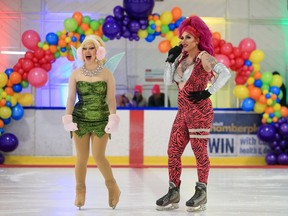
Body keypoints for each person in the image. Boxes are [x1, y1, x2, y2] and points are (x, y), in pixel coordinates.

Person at [156, 15, 231, 212]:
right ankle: (173, 190)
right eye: (182, 37)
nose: (183, 41)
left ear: (198, 39)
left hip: (200, 112)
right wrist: (169, 61)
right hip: (183, 112)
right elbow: (166, 82)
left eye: (188, 37)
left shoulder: (205, 57)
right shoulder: (180, 58)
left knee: (199, 153)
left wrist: (209, 92)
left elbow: (225, 73)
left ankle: (201, 192)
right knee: (173, 151)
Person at [62, 35, 121, 210]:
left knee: (98, 156)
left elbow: (111, 99)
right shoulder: (76, 73)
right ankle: (80, 190)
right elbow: (71, 97)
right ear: (81, 52)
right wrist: (68, 117)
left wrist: (112, 116)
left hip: (101, 119)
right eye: (85, 48)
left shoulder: (107, 73)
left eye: (91, 48)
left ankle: (112, 187)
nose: (88, 51)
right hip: (80, 118)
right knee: (81, 157)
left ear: (98, 51)